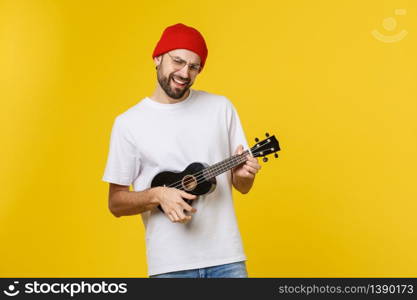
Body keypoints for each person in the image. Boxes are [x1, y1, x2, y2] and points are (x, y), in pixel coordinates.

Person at [102, 23, 261, 278]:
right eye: (177, 61)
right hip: (170, 267)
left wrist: (245, 176)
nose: (184, 73)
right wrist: (158, 195)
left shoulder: (220, 108)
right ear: (157, 58)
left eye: (193, 66)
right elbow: (116, 203)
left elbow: (242, 186)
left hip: (226, 260)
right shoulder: (129, 123)